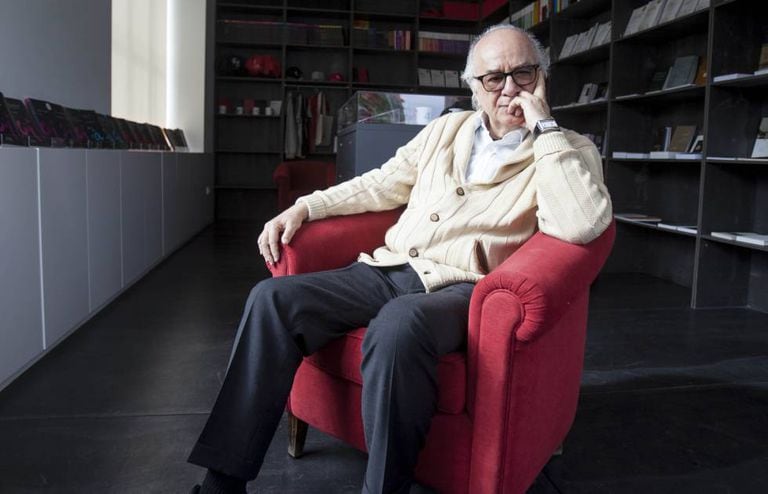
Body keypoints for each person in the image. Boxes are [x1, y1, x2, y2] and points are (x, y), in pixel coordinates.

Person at [188, 23, 612, 494]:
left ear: (543, 78)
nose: (510, 88)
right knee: (270, 299)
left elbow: (582, 225)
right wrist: (306, 206)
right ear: (474, 87)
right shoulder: (446, 130)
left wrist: (544, 129)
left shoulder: (567, 148)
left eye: (524, 74)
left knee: (398, 325)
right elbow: (381, 183)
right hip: (386, 268)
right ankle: (221, 485)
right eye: (494, 78)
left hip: (461, 287)